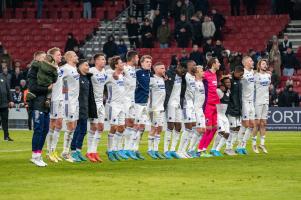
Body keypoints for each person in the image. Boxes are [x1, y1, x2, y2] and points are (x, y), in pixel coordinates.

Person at [27, 54, 53, 167]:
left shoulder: (45, 71)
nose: (45, 59)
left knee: (45, 129)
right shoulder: (33, 70)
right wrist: (47, 88)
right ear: (36, 58)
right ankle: (34, 156)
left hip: (45, 104)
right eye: (43, 57)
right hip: (37, 103)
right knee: (38, 130)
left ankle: (38, 154)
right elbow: (32, 88)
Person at [70, 59, 97, 162]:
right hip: (77, 107)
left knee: (83, 131)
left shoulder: (87, 78)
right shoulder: (76, 77)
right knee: (77, 130)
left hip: (85, 107)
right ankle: (73, 152)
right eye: (86, 65)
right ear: (80, 66)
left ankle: (78, 151)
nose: (88, 67)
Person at [198, 57, 221, 157]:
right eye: (218, 62)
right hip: (208, 105)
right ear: (213, 64)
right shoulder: (205, 74)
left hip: (216, 104)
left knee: (215, 128)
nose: (219, 64)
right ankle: (199, 150)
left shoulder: (215, 74)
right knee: (208, 128)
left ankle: (204, 149)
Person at [105, 56, 127, 161]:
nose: (123, 64)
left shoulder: (122, 76)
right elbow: (105, 76)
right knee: (113, 127)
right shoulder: (109, 75)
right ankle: (109, 150)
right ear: (116, 65)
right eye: (121, 63)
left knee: (121, 128)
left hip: (122, 105)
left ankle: (116, 149)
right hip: (112, 105)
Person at [87, 53, 107, 162]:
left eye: (105, 59)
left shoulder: (104, 72)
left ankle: (94, 151)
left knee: (101, 127)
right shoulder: (91, 71)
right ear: (96, 61)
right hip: (93, 103)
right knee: (94, 127)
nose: (104, 61)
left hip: (101, 103)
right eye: (102, 59)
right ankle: (90, 152)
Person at [60, 51, 80, 162]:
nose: (77, 57)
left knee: (73, 127)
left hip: (75, 101)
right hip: (68, 101)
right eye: (75, 56)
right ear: (69, 58)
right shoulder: (65, 68)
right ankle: (65, 152)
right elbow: (57, 79)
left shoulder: (74, 69)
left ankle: (66, 151)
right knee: (70, 127)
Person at [45, 48, 64, 163]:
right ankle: (48, 151)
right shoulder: (50, 69)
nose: (60, 56)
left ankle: (53, 150)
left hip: (61, 99)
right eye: (58, 55)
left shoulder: (58, 68)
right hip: (54, 100)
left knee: (59, 124)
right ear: (52, 57)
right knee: (52, 124)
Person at [164, 63, 186, 159]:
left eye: (185, 71)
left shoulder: (183, 77)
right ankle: (166, 150)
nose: (183, 72)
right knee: (170, 125)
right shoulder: (169, 73)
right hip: (170, 103)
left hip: (178, 103)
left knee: (178, 126)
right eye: (182, 70)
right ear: (178, 67)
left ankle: (173, 149)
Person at [132, 55, 152, 159]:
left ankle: (136, 149)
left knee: (142, 127)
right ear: (142, 63)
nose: (149, 63)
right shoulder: (138, 73)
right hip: (137, 103)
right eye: (147, 62)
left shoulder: (150, 74)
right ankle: (130, 148)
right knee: (135, 126)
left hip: (146, 104)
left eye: (150, 62)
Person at [122, 51, 140, 160]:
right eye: (137, 57)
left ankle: (128, 149)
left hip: (132, 99)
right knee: (126, 123)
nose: (138, 59)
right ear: (132, 58)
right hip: (125, 99)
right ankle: (122, 149)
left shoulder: (133, 70)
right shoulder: (124, 68)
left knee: (132, 123)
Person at [177, 60, 197, 158]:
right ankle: (179, 151)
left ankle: (184, 150)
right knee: (188, 127)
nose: (195, 66)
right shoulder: (185, 76)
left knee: (193, 127)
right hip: (185, 103)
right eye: (193, 65)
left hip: (192, 105)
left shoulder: (194, 77)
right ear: (188, 66)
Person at [236, 56, 255, 155]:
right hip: (244, 101)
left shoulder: (252, 72)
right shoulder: (242, 73)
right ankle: (238, 146)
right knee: (245, 124)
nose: (253, 62)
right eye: (251, 61)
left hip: (251, 102)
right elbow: (235, 77)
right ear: (245, 63)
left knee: (252, 125)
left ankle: (243, 145)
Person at [147, 62, 166, 159]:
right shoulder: (152, 80)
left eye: (164, 68)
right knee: (154, 128)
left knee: (160, 129)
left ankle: (156, 150)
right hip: (154, 108)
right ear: (156, 69)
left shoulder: (162, 79)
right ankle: (150, 150)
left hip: (161, 108)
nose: (164, 70)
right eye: (162, 68)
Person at [252, 59, 271, 154]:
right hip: (258, 101)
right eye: (263, 64)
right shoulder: (255, 76)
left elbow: (268, 88)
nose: (265, 65)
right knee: (257, 123)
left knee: (264, 123)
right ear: (259, 66)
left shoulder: (268, 75)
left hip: (266, 101)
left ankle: (262, 144)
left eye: (266, 64)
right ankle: (254, 144)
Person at [224, 65, 244, 156]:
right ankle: (227, 148)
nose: (241, 76)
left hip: (238, 108)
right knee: (231, 128)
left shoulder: (239, 81)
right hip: (231, 109)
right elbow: (227, 95)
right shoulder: (229, 81)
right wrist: (230, 106)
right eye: (240, 75)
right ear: (235, 72)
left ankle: (230, 147)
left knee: (237, 128)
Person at [187, 65, 206, 157]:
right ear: (196, 72)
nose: (203, 72)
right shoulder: (194, 83)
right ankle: (190, 149)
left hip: (200, 109)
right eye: (201, 70)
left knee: (203, 130)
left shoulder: (201, 82)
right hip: (196, 109)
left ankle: (195, 150)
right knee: (198, 129)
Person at [210, 76, 231, 156]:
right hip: (217, 115)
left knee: (227, 133)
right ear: (222, 84)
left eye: (229, 82)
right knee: (221, 132)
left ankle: (217, 150)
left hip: (224, 116)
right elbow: (212, 91)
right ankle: (213, 149)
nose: (229, 83)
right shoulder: (218, 91)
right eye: (227, 82)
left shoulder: (228, 91)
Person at [0, 72, 14, 141]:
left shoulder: (3, 77)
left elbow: (8, 89)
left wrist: (11, 100)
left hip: (4, 103)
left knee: (5, 121)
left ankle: (6, 136)